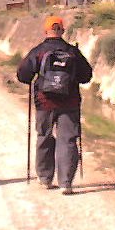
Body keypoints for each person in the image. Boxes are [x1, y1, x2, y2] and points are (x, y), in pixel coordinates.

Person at [16, 15, 92, 195]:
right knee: (68, 140)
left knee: (44, 136)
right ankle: (66, 182)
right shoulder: (72, 52)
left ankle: (45, 178)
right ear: (62, 31)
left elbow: (23, 75)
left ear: (46, 31)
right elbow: (86, 76)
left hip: (45, 102)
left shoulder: (39, 51)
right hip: (70, 102)